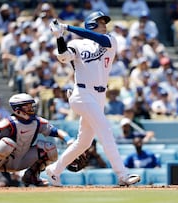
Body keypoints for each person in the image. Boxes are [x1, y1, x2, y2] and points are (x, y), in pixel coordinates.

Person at [46, 11, 141, 186]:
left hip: (99, 96)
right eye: (100, 22)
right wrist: (59, 36)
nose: (105, 25)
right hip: (82, 94)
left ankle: (54, 171)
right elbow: (63, 57)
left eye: (105, 22)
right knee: (105, 130)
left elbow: (99, 39)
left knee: (84, 142)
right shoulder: (77, 44)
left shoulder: (110, 40)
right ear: (90, 24)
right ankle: (122, 175)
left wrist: (66, 27)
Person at [0, 93, 74, 187]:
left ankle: (31, 176)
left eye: (30, 105)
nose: (31, 108)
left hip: (23, 160)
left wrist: (69, 140)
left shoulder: (37, 122)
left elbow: (55, 131)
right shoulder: (6, 124)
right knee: (7, 143)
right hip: (3, 164)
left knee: (50, 148)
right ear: (18, 110)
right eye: (27, 106)